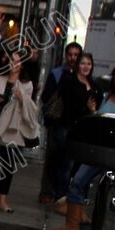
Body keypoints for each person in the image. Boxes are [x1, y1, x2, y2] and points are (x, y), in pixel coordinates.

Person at [54, 61, 115, 230]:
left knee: (107, 192)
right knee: (78, 182)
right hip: (98, 151)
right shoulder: (107, 96)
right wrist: (93, 111)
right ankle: (73, 225)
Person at [0, 50, 36, 213]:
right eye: (11, 60)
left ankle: (2, 200)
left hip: (12, 128)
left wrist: (21, 97)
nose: (14, 64)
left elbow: (29, 109)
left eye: (17, 61)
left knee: (8, 165)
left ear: (22, 65)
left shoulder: (27, 84)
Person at [51, 52, 102, 210]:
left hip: (85, 132)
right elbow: (68, 103)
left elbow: (96, 107)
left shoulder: (94, 85)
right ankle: (60, 199)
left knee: (79, 168)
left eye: (89, 64)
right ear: (77, 65)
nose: (86, 67)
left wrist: (92, 109)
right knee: (66, 165)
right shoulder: (69, 81)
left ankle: (75, 202)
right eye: (83, 63)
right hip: (68, 128)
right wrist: (84, 105)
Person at [39, 41, 82, 203]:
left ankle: (61, 193)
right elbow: (46, 97)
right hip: (56, 123)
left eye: (76, 55)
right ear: (66, 56)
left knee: (67, 163)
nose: (73, 58)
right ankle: (47, 192)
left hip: (72, 125)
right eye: (70, 55)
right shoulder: (57, 74)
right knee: (52, 158)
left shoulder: (82, 77)